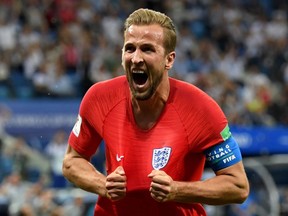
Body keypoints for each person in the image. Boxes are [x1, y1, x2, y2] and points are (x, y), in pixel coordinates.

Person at [62, 8, 249, 216]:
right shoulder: (99, 98)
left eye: (147, 49)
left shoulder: (201, 110)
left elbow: (238, 185)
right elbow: (72, 161)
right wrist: (102, 184)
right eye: (130, 48)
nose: (136, 58)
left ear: (169, 60)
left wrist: (177, 190)